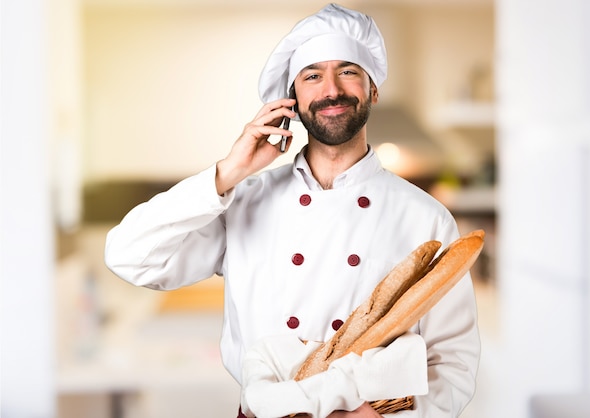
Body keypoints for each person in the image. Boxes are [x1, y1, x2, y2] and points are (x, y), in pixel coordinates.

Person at [105, 3, 480, 417]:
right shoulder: (245, 200)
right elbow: (129, 256)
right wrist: (229, 172)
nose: (331, 89)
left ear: (373, 90)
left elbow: (454, 362)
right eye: (312, 76)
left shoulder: (425, 217)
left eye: (349, 71)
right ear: (293, 100)